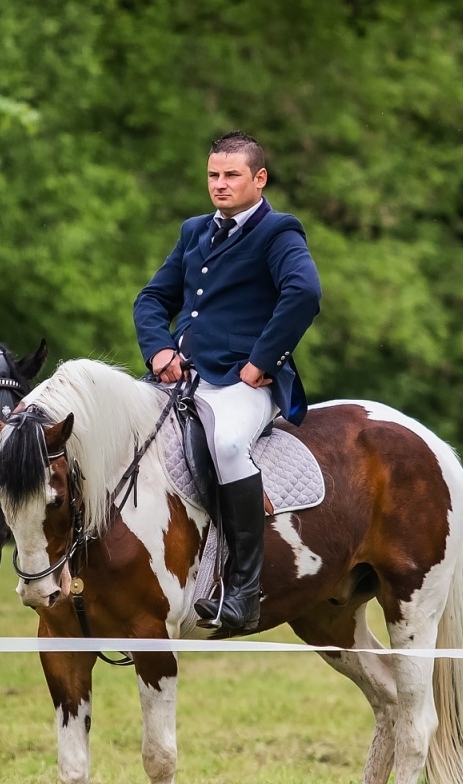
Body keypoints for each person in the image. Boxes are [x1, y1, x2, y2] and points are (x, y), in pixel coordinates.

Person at [133, 131, 322, 633]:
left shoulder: (279, 231)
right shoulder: (194, 230)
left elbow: (304, 292)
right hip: (184, 378)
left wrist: (263, 360)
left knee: (227, 445)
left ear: (258, 179)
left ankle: (243, 591)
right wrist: (158, 350)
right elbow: (152, 299)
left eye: (231, 175)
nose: (220, 184)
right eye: (213, 175)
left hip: (246, 385)